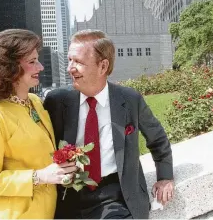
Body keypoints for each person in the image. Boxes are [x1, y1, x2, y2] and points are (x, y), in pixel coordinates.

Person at [44, 29, 174, 219]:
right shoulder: (56, 101)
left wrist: (165, 177)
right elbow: (32, 143)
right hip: (66, 196)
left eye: (78, 62)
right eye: (70, 60)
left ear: (103, 66)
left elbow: (158, 140)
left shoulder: (129, 100)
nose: (70, 68)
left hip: (115, 195)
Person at [0, 29, 77, 219]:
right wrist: (38, 177)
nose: (40, 67)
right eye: (32, 62)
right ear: (8, 68)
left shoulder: (34, 101)